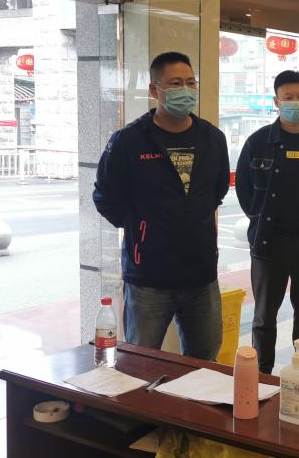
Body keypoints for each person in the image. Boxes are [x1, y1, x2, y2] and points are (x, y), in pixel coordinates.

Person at [94, 51, 229, 359]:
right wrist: (142, 227)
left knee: (205, 358)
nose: (186, 90)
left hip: (201, 274)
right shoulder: (129, 141)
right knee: (141, 360)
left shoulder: (213, 139)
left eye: (191, 82)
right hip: (148, 278)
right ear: (155, 90)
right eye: (176, 83)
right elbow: (105, 197)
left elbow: (216, 191)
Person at [235, 70, 299, 385]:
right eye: (288, 97)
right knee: (264, 314)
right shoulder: (258, 142)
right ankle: (262, 372)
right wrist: (261, 217)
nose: (295, 102)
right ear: (276, 101)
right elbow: (245, 191)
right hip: (269, 243)